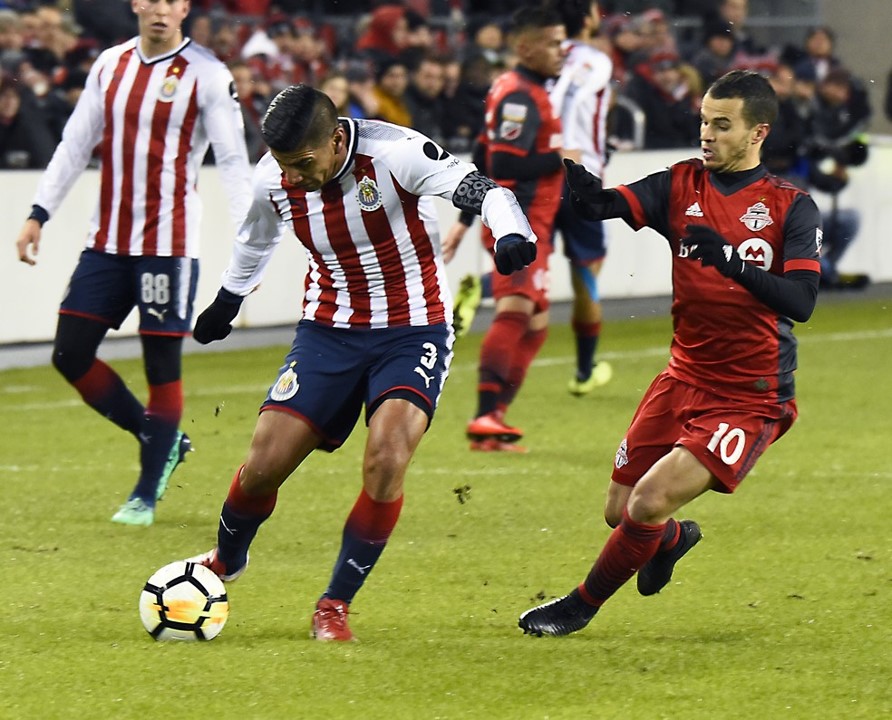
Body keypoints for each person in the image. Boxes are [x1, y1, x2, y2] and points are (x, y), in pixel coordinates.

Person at [186, 84, 536, 642]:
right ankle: (227, 560)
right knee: (264, 464)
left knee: (386, 457)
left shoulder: (396, 154)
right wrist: (229, 299)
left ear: (336, 138)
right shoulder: (272, 176)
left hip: (413, 328)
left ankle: (334, 603)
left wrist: (513, 229)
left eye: (303, 164)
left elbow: (483, 190)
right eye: (284, 165)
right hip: (328, 329)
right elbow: (256, 239)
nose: (293, 177)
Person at [518, 69, 822, 636]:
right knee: (621, 510)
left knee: (648, 502)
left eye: (722, 125)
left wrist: (732, 261)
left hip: (750, 395)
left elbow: (802, 301)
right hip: (682, 377)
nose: (707, 134)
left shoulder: (791, 207)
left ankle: (578, 606)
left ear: (758, 133)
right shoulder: (680, 183)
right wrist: (583, 194)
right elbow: (608, 205)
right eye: (704, 121)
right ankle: (676, 538)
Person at [14, 0, 252, 526]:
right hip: (107, 243)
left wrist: (247, 239)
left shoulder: (208, 75)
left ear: (184, 8)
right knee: (69, 353)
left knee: (160, 367)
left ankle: (145, 494)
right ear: (137, 5)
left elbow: (233, 159)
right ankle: (161, 438)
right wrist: (39, 212)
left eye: (174, 0)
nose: (162, 10)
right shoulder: (109, 65)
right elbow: (76, 143)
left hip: (167, 247)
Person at [442, 5, 565, 453]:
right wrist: (562, 159)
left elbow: (481, 145)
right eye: (552, 42)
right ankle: (485, 417)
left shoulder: (518, 89)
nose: (561, 51)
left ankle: (494, 419)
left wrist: (461, 219)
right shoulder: (519, 95)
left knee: (536, 325)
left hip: (535, 220)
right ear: (524, 46)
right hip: (520, 222)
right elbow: (505, 161)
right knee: (515, 312)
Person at [550, 0, 614, 395]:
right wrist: (571, 149)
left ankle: (479, 289)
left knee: (526, 264)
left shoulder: (548, 55)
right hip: (579, 173)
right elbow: (569, 102)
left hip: (537, 173)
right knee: (587, 269)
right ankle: (585, 370)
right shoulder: (594, 59)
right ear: (587, 17)